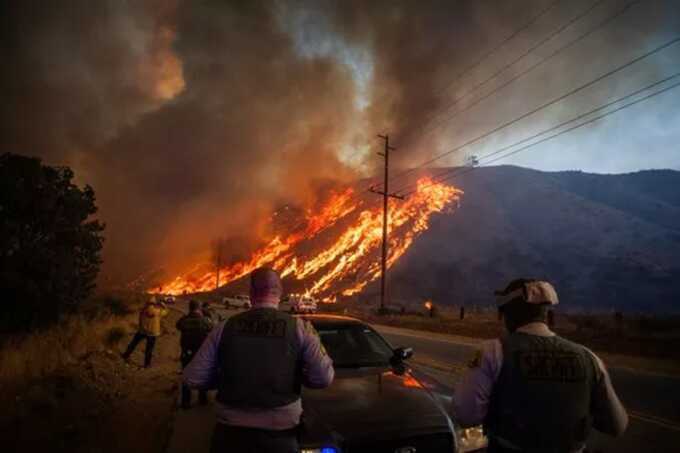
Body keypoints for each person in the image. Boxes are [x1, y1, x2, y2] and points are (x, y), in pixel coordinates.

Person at [452, 279, 628, 453]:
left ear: (508, 315)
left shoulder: (492, 351)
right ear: (546, 315)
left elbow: (467, 415)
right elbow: (617, 425)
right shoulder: (589, 358)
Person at [183, 267, 334, 453]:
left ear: (251, 293)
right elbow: (323, 378)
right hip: (280, 435)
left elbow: (192, 378)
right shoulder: (300, 328)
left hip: (230, 434)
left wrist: (227, 379)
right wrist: (296, 377)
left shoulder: (224, 328)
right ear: (279, 293)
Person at [176, 300, 214, 409]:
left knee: (186, 376)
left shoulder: (184, 320)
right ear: (199, 308)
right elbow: (212, 326)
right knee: (202, 374)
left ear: (190, 308)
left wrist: (188, 315)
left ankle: (186, 402)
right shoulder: (205, 321)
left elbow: (178, 325)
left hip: (187, 352)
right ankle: (202, 399)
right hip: (201, 353)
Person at [122, 296, 169, 368]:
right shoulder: (157, 311)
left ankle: (126, 355)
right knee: (149, 349)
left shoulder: (142, 311)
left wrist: (141, 327)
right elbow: (165, 313)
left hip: (142, 331)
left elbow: (140, 320)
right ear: (154, 303)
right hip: (152, 333)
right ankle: (147, 364)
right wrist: (164, 306)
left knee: (133, 343)